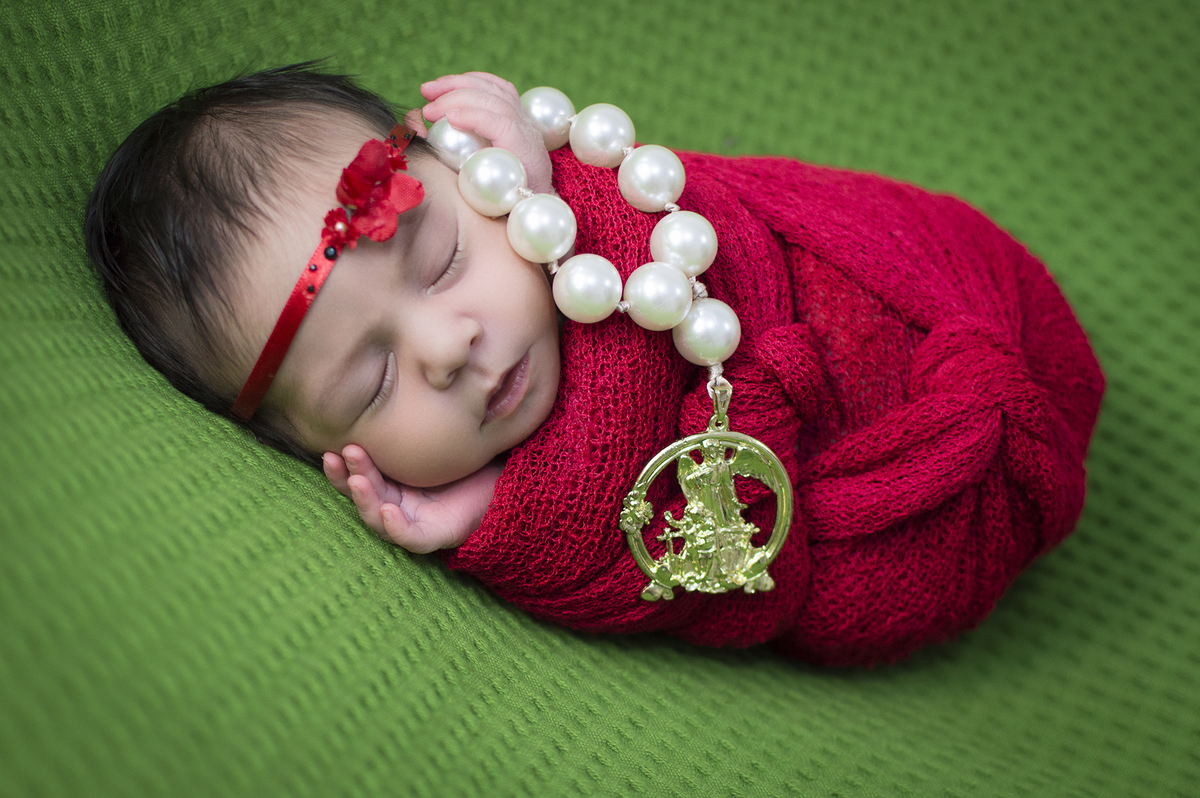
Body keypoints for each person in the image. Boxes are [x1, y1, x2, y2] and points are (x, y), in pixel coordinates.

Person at [85, 64, 1104, 665]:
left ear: (464, 165)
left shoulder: (579, 200)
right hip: (898, 495)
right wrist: (498, 526)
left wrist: (539, 173)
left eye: (439, 259)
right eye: (372, 383)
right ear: (318, 447)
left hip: (923, 286)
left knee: (878, 276)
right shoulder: (531, 510)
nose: (448, 349)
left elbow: (706, 218)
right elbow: (670, 578)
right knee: (854, 585)